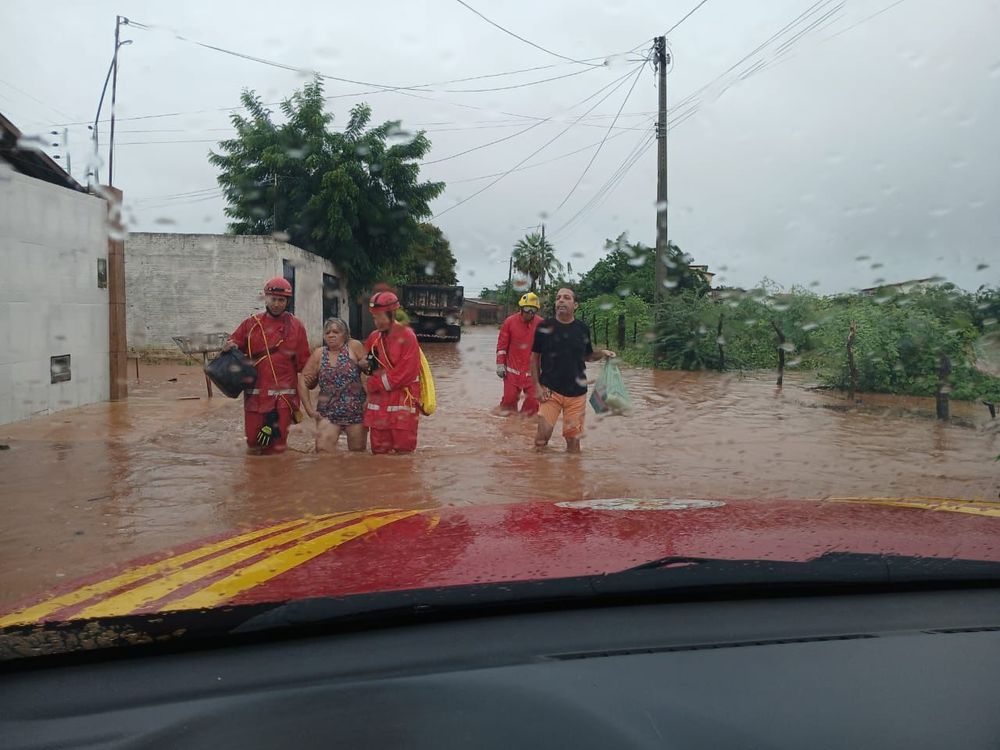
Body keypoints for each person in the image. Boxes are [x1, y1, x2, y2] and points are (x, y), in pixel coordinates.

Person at [222, 277, 311, 455]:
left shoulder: (296, 327)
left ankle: (278, 480)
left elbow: (305, 364)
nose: (277, 304)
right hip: (255, 396)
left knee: (276, 448)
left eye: (281, 300)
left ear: (287, 301)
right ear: (266, 298)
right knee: (253, 444)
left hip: (283, 400)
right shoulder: (251, 324)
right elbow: (234, 342)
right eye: (273, 299)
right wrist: (227, 346)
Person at [531, 287, 615, 453]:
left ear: (575, 305)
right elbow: (534, 358)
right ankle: (538, 475)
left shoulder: (582, 328)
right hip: (550, 391)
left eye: (566, 298)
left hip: (577, 393)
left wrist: (602, 353)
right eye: (558, 298)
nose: (561, 300)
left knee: (573, 443)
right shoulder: (544, 326)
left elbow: (587, 356)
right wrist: (537, 386)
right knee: (541, 440)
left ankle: (572, 477)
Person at [360, 291, 422, 454]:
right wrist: (364, 367)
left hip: (403, 400)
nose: (377, 321)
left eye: (380, 317)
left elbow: (406, 373)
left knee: (404, 452)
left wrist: (375, 384)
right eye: (374, 317)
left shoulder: (407, 336)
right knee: (379, 451)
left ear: (392, 314)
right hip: (378, 403)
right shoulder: (374, 337)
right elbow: (370, 368)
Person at [300, 318, 368, 452]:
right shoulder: (319, 354)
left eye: (336, 332)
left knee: (357, 454)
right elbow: (302, 380)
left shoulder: (354, 346)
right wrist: (309, 410)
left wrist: (369, 401)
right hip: (327, 413)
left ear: (345, 334)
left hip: (355, 412)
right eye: (328, 332)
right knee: (323, 454)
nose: (331, 335)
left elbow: (372, 372)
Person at [494, 292, 542, 417]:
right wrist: (500, 364)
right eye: (527, 309)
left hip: (533, 374)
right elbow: (502, 346)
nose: (530, 312)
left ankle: (524, 432)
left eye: (533, 310)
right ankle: (508, 430)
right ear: (521, 308)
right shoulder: (509, 322)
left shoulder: (542, 324)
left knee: (532, 405)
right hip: (512, 372)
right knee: (508, 404)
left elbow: (547, 350)